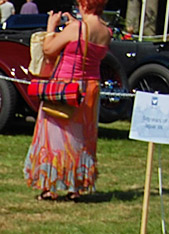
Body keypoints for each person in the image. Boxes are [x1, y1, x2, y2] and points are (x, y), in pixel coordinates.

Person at [23, 0, 111, 200]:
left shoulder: (77, 28)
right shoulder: (106, 31)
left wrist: (51, 27)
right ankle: (76, 186)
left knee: (57, 136)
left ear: (85, 5)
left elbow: (48, 49)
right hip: (90, 88)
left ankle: (50, 186)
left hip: (66, 87)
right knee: (81, 137)